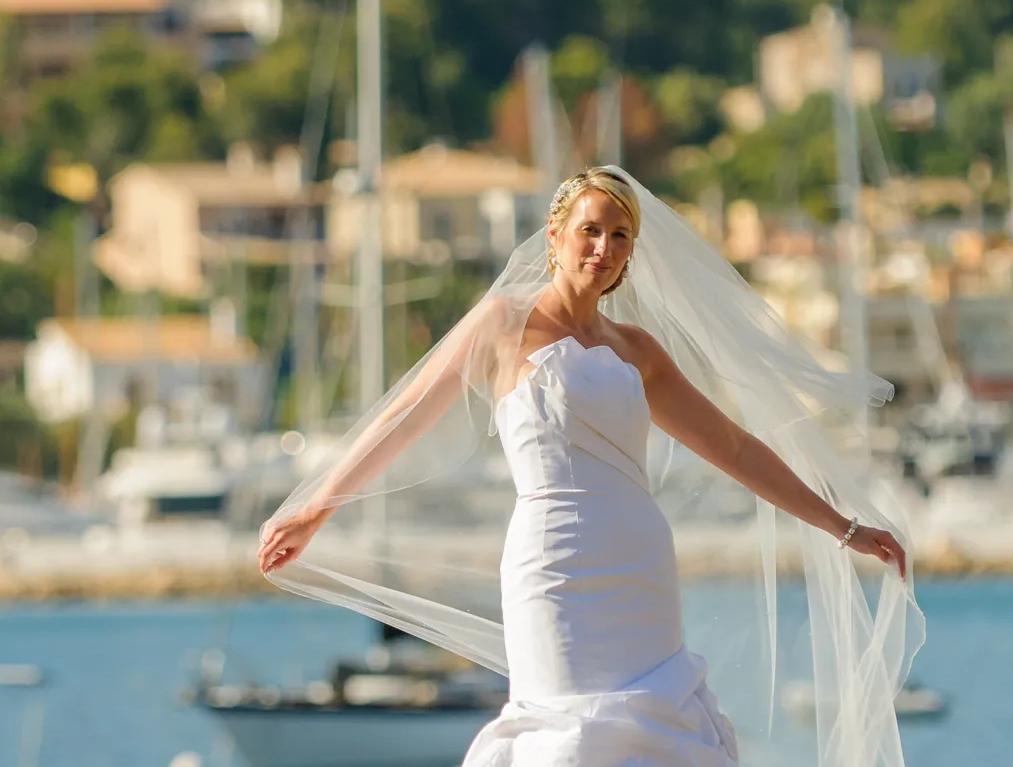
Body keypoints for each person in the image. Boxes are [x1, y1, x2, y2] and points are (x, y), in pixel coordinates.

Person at [259, 168, 923, 766]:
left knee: (655, 738)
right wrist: (316, 505)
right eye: (590, 230)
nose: (602, 247)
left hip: (641, 568)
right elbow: (404, 415)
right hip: (553, 566)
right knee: (565, 738)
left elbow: (736, 447)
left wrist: (842, 525)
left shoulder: (638, 350)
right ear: (556, 233)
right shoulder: (502, 323)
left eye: (619, 236)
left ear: (631, 253)